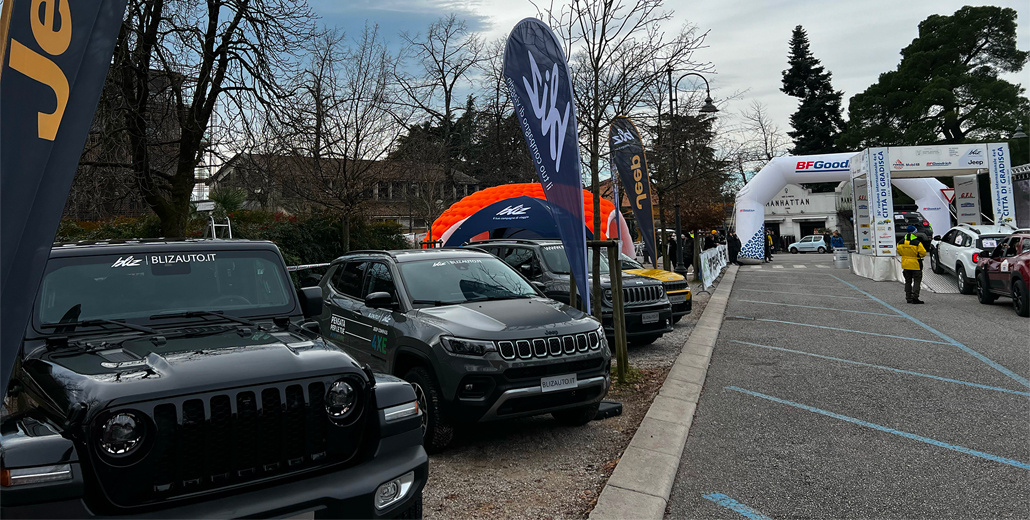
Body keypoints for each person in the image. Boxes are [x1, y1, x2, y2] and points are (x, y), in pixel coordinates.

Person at [897, 225, 927, 304]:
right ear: (914, 233)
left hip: (905, 264)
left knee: (908, 281)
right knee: (917, 281)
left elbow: (899, 252)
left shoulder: (900, 242)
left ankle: (908, 297)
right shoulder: (917, 243)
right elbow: (923, 253)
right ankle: (915, 298)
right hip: (916, 264)